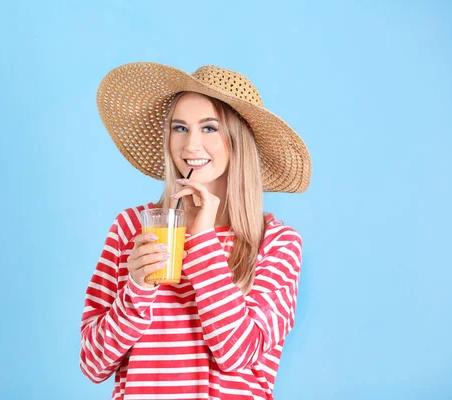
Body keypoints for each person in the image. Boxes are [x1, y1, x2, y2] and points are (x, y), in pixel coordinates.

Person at [79, 62, 312, 400]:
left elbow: (238, 353)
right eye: (180, 127)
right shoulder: (132, 228)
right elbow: (92, 363)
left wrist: (203, 240)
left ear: (237, 141)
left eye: (209, 128)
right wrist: (137, 289)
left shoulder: (276, 243)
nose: (190, 146)